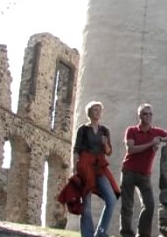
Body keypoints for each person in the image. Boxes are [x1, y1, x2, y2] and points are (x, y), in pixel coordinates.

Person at [118, 103, 167, 237]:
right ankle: (126, 234)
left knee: (149, 205)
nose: (148, 116)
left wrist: (160, 139)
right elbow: (131, 149)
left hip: (144, 174)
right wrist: (151, 144)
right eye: (145, 114)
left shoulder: (156, 132)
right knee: (127, 206)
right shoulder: (131, 130)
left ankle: (142, 234)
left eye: (150, 114)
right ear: (139, 116)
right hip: (129, 171)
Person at [74, 101, 120, 237]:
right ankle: (87, 235)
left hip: (99, 166)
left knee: (111, 199)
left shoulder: (104, 130)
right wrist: (74, 168)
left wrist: (105, 144)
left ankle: (100, 233)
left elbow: (109, 151)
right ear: (89, 112)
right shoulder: (83, 129)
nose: (98, 112)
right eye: (95, 110)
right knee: (86, 203)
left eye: (99, 110)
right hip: (84, 166)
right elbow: (76, 150)